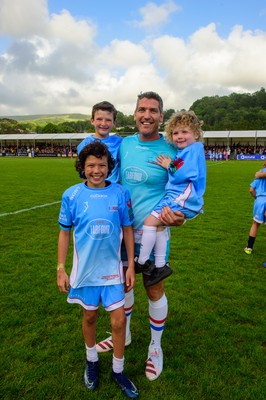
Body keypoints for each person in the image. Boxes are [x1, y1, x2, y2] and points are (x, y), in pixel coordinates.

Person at [96, 91, 185, 381]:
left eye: (153, 111)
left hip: (155, 232)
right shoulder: (124, 145)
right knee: (124, 284)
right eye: (141, 109)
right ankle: (126, 333)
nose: (146, 115)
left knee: (153, 289)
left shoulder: (174, 149)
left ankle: (155, 347)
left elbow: (190, 189)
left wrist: (183, 216)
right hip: (122, 233)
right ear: (134, 114)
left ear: (161, 116)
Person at [57, 141, 139, 398]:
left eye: (102, 165)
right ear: (82, 167)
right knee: (90, 317)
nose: (96, 170)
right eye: (91, 165)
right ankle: (91, 361)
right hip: (85, 273)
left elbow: (127, 229)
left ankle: (118, 369)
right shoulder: (71, 195)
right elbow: (63, 233)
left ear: (109, 166)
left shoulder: (120, 193)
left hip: (113, 271)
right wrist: (61, 268)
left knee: (119, 321)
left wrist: (131, 266)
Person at [135, 110, 206, 286]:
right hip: (179, 196)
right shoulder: (187, 150)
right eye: (175, 133)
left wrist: (169, 165)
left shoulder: (193, 149)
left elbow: (182, 174)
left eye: (185, 132)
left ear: (196, 134)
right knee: (159, 226)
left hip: (183, 197)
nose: (179, 136)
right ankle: (160, 266)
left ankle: (142, 261)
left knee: (150, 222)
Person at [77, 101, 122, 183]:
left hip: (115, 190)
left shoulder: (119, 142)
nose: (103, 123)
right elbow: (84, 173)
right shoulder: (85, 144)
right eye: (99, 119)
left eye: (108, 120)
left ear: (114, 123)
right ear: (92, 120)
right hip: (94, 190)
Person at [243, 166, 266, 254]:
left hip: (259, 201)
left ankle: (249, 248)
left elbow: (251, 190)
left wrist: (257, 198)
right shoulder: (260, 173)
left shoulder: (259, 174)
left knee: (255, 224)